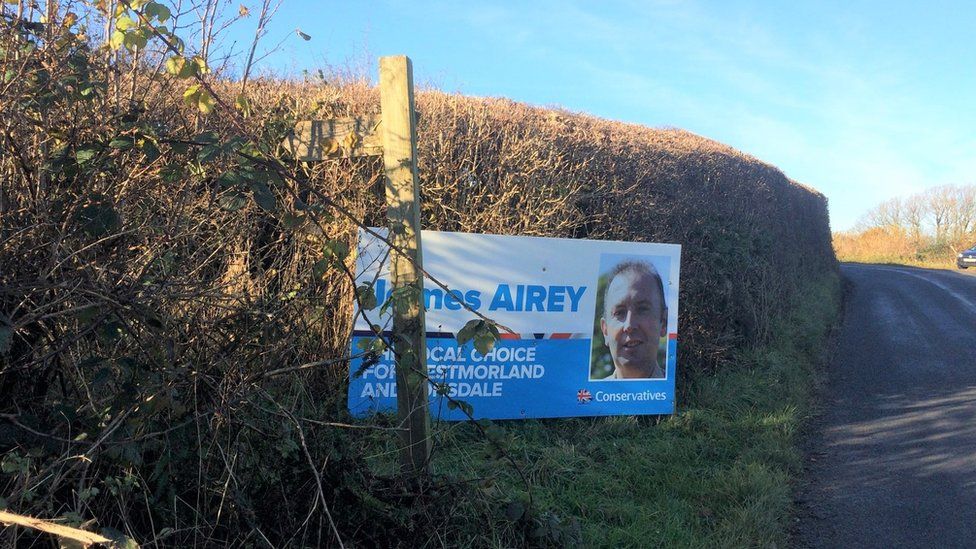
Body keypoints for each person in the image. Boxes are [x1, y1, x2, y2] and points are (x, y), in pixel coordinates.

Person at [599, 261, 668, 379]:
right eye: (619, 313)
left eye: (642, 310)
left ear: (663, 322)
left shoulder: (682, 391)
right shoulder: (590, 396)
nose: (629, 325)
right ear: (605, 330)